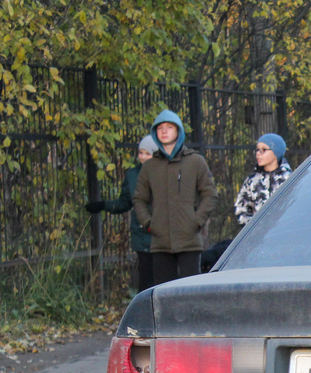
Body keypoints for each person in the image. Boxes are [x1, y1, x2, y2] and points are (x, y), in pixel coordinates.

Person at [133, 109, 218, 285]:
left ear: (178, 131)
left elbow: (210, 195)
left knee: (191, 289)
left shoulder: (195, 161)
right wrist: (149, 223)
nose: (164, 131)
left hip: (190, 240)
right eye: (160, 127)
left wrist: (195, 221)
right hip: (160, 241)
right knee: (163, 291)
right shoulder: (149, 166)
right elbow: (139, 199)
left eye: (169, 127)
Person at [85, 135, 158, 292]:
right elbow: (124, 202)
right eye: (141, 152)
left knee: (164, 278)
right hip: (142, 233)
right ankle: (144, 313)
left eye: (148, 153)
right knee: (145, 280)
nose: (143, 157)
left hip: (163, 233)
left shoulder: (165, 173)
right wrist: (102, 205)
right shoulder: (132, 175)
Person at [234, 133, 293, 226]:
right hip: (258, 237)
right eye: (257, 150)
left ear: (275, 153)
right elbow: (241, 208)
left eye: (263, 150)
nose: (258, 153)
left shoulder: (289, 180)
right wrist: (253, 227)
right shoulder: (252, 180)